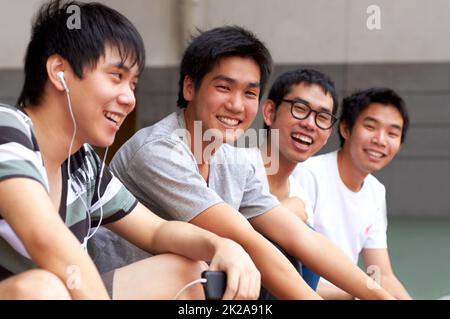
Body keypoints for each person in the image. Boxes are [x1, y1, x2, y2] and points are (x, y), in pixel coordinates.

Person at [0, 0, 261, 300]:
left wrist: (221, 245)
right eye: (116, 77)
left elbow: (156, 232)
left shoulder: (84, 164)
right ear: (60, 71)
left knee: (187, 270)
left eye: (133, 84)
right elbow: (45, 238)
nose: (129, 98)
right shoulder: (9, 130)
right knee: (41, 290)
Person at [111, 26, 394, 300]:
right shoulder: (159, 151)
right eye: (224, 87)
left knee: (293, 239)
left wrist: (378, 294)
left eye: (249, 93)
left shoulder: (234, 159)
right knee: (227, 258)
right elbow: (247, 240)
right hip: (120, 288)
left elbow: (300, 238)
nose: (236, 105)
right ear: (189, 87)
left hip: (192, 289)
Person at [293, 87, 412, 299]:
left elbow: (382, 274)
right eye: (370, 127)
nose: (380, 140)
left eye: (392, 133)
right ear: (346, 129)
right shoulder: (308, 175)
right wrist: (358, 294)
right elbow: (290, 276)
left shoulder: (376, 191)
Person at [245, 68, 340, 292]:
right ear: (269, 112)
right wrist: (282, 213)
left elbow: (299, 282)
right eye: (300, 109)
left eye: (322, 117)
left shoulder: (301, 194)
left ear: (327, 134)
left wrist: (357, 292)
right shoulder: (234, 169)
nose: (310, 123)